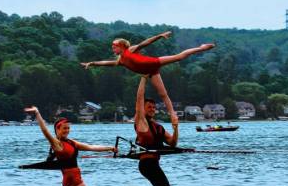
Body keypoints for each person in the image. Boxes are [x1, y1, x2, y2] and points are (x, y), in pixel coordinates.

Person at [81, 31, 214, 125]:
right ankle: (172, 114)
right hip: (150, 73)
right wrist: (92, 63)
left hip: (154, 63)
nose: (112, 47)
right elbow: (107, 63)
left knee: (179, 57)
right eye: (112, 46)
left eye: (114, 45)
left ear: (121, 46)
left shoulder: (130, 50)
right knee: (163, 94)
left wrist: (160, 36)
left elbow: (145, 43)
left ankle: (201, 48)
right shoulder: (120, 61)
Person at [25, 106, 117, 186]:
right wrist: (37, 113)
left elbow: (91, 147)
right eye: (64, 128)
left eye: (68, 128)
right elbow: (44, 130)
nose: (67, 130)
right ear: (57, 130)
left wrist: (109, 148)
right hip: (74, 180)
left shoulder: (72, 142)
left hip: (68, 181)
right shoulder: (56, 144)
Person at [133, 76, 179, 186]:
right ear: (143, 109)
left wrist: (176, 128)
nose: (152, 109)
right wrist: (143, 78)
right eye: (149, 107)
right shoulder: (141, 122)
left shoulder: (159, 127)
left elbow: (172, 143)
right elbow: (139, 97)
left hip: (154, 164)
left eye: (154, 107)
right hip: (146, 164)